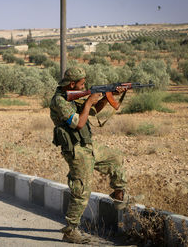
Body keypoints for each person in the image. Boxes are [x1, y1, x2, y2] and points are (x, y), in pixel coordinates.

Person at [50, 67, 129, 244]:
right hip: (76, 151)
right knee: (82, 191)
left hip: (88, 146)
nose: (84, 86)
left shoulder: (71, 95)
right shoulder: (59, 101)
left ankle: (118, 193)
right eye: (82, 84)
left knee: (115, 157)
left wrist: (107, 96)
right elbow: (78, 124)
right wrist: (88, 102)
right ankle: (70, 231)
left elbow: (93, 112)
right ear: (72, 84)